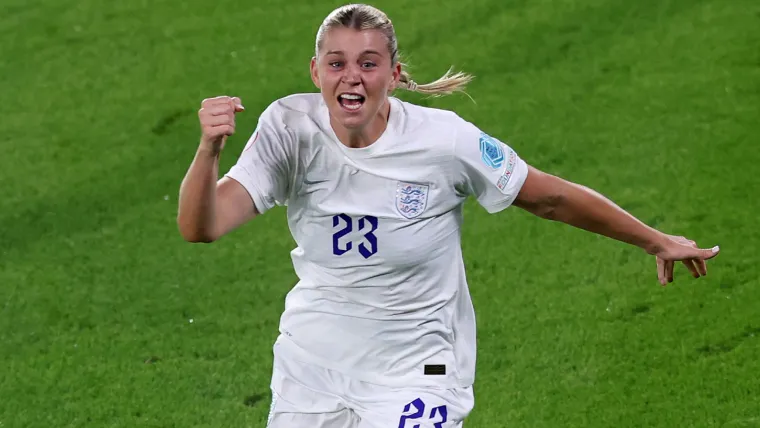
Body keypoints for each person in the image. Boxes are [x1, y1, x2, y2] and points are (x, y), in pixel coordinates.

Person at [177, 3, 720, 427]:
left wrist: (655, 240)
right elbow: (201, 227)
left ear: (394, 72)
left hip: (417, 371)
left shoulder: (445, 142)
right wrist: (208, 151)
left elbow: (549, 196)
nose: (352, 78)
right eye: (337, 64)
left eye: (369, 64)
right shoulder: (288, 127)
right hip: (312, 364)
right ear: (316, 70)